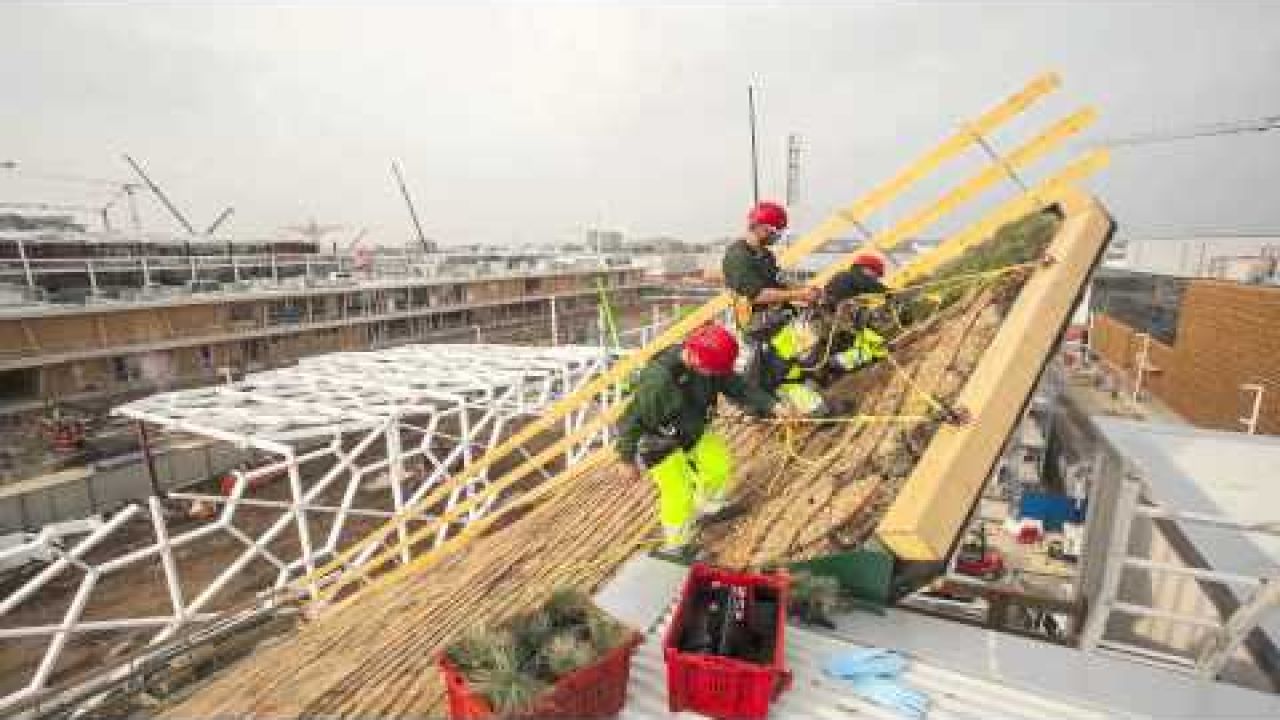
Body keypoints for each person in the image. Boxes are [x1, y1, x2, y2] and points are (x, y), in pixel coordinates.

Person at [616, 323, 782, 552]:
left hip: (692, 427)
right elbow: (633, 419)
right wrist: (626, 459)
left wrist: (773, 405)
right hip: (657, 439)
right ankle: (677, 545)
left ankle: (710, 507)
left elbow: (738, 387)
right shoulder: (658, 382)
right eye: (713, 371)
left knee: (718, 464)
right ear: (694, 357)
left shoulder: (712, 364)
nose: (716, 375)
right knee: (679, 492)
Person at [721, 201, 827, 414]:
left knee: (806, 337)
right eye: (775, 231)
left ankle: (798, 377)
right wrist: (798, 295)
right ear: (760, 227)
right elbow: (757, 295)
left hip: (775, 315)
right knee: (793, 344)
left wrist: (806, 291)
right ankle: (771, 396)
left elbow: (778, 281)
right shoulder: (737, 257)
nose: (777, 236)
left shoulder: (765, 255)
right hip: (757, 323)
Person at [816, 248, 892, 374]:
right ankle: (839, 362)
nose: (876, 279)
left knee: (867, 340)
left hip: (828, 321)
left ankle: (839, 363)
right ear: (867, 269)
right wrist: (889, 293)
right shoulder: (855, 277)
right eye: (876, 275)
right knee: (873, 345)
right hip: (838, 320)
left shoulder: (843, 277)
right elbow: (872, 286)